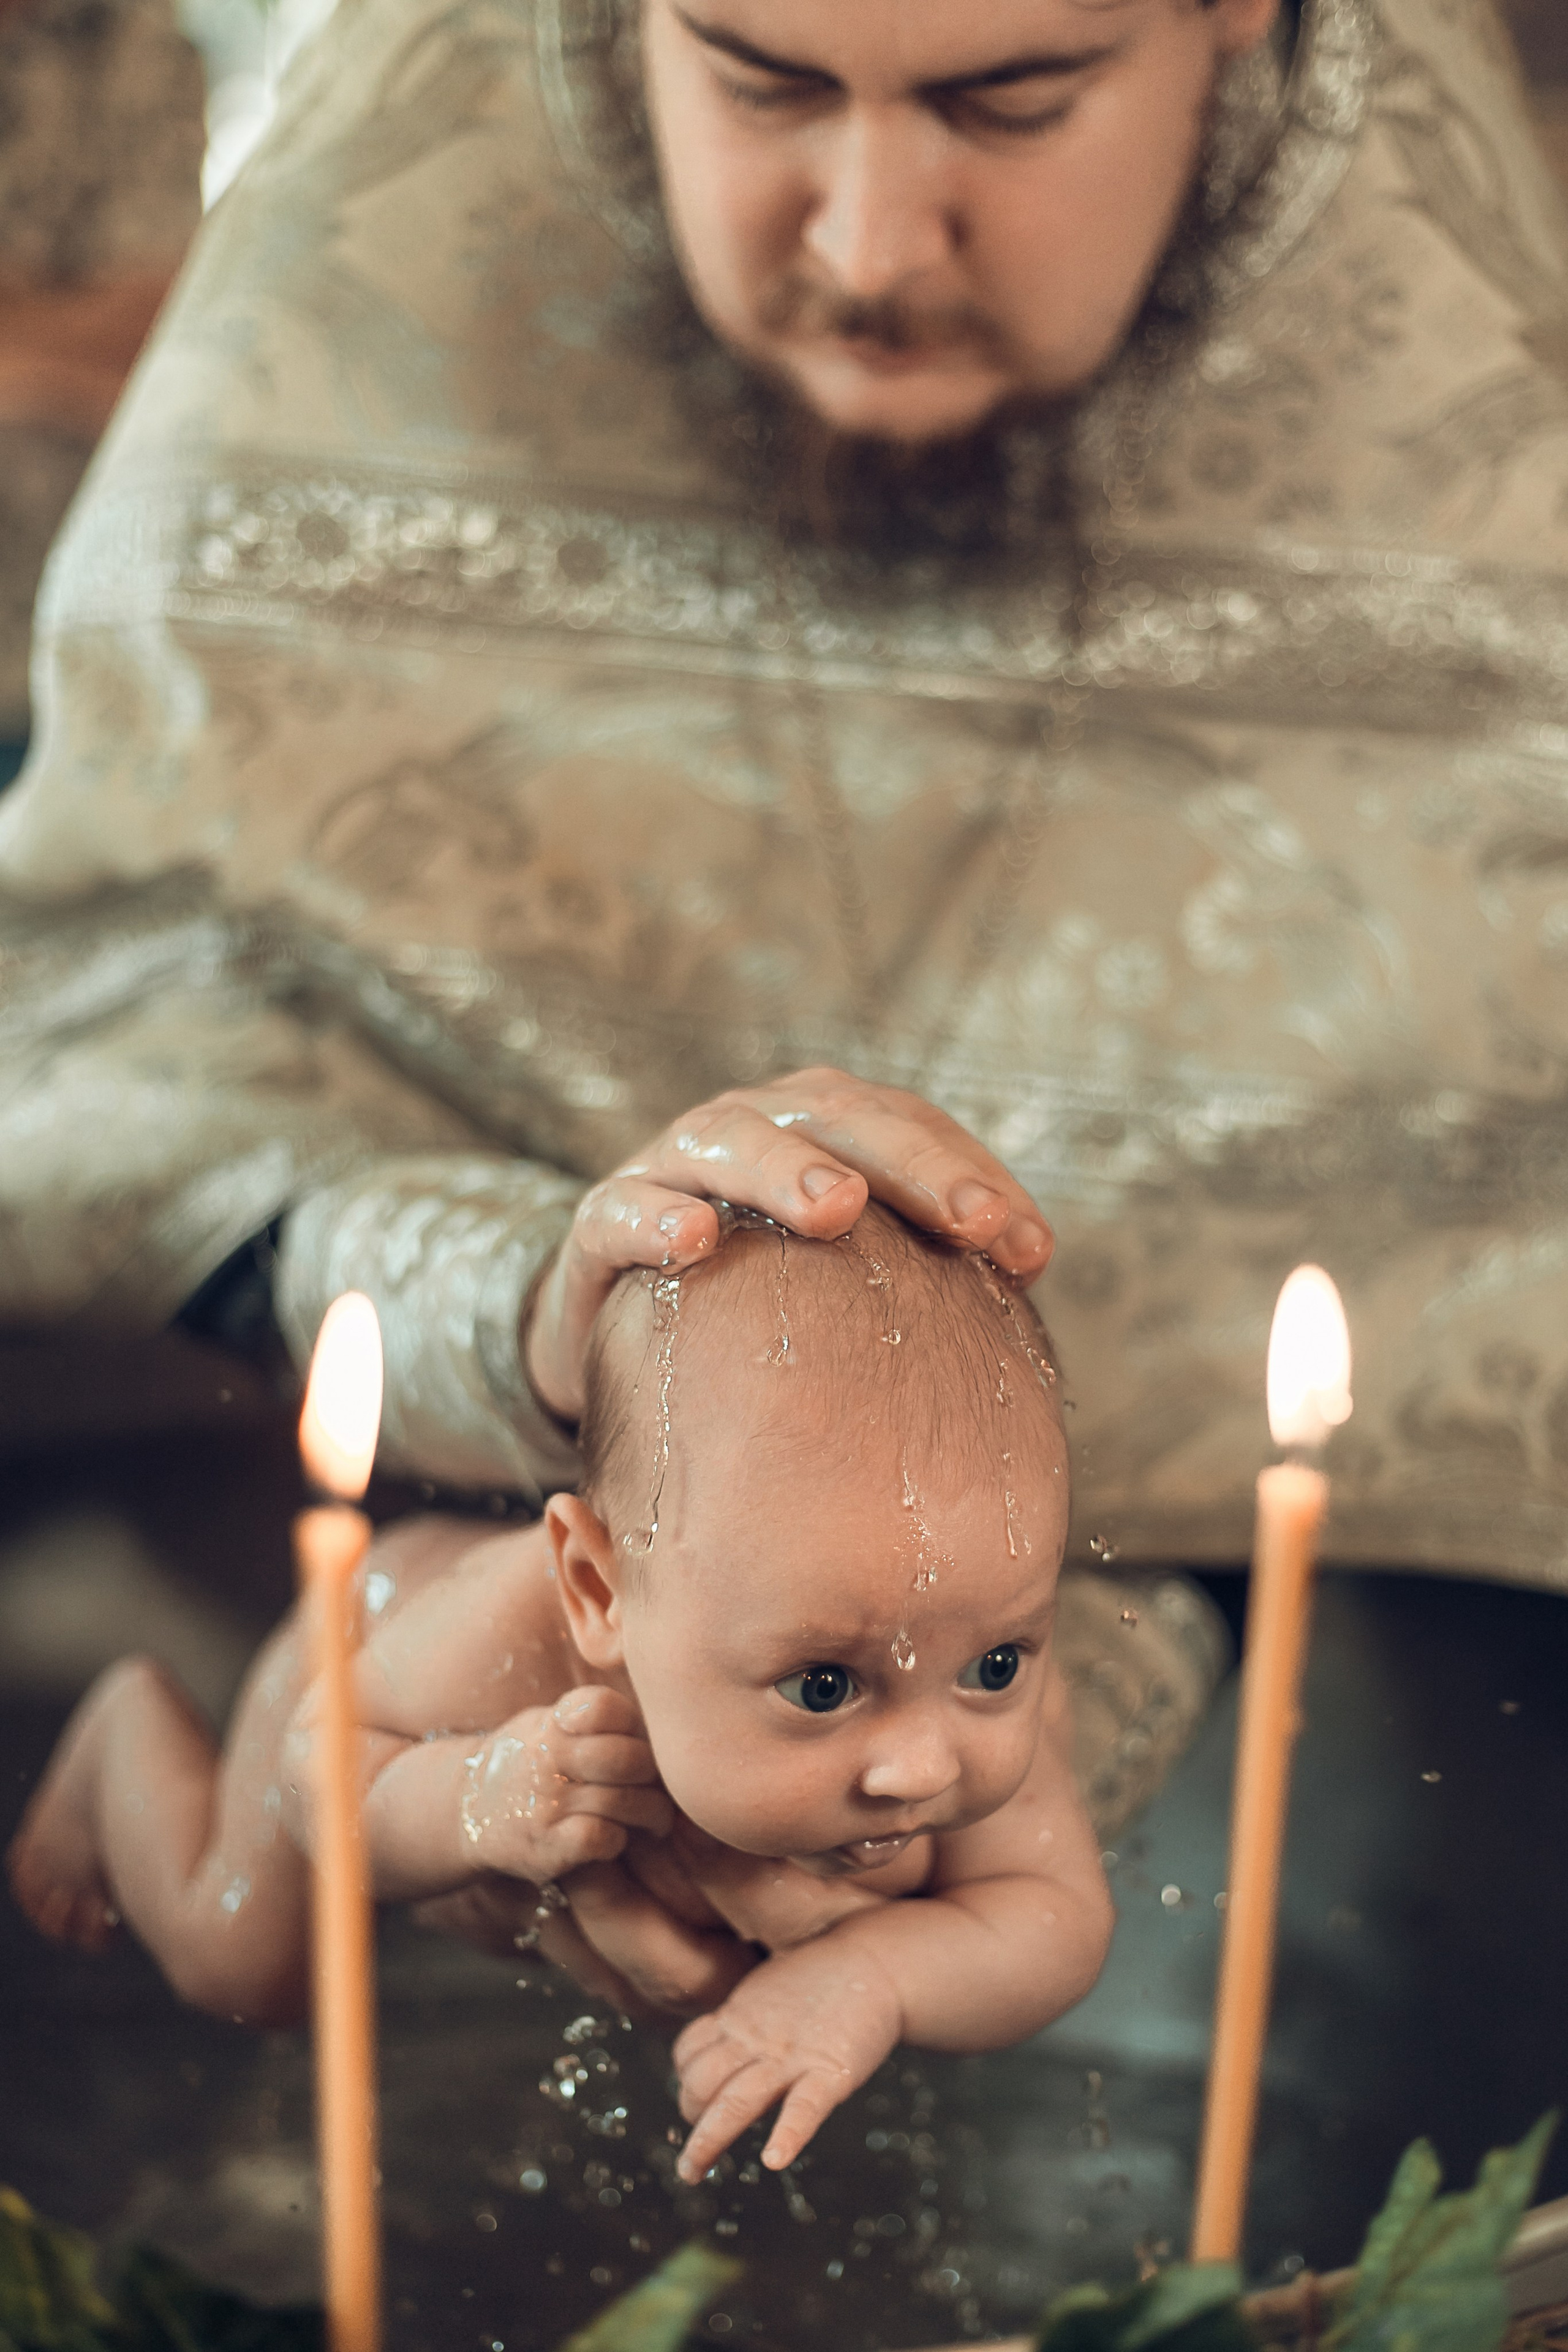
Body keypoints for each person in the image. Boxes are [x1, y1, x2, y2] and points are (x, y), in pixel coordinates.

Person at [2, 0, 1562, 1986]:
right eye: (763, 83)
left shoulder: (1488, 517)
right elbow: (115, 1071)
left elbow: (1407, 1309)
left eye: (1011, 100)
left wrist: (989, 1719)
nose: (871, 243)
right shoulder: (366, 333)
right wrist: (540, 1303)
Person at [9, 1206, 1110, 2178]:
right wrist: (472, 1794)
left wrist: (874, 1977)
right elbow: (321, 1780)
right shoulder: (499, 1632)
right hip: (363, 1647)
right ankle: (122, 1736)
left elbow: (1054, 1924)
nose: (922, 1767)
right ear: (597, 1591)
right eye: (823, 1686)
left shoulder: (943, 1641)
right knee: (245, 1968)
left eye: (996, 1665)